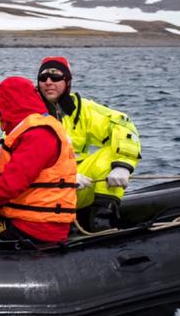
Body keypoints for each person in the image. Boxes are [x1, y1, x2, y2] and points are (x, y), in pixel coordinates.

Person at [0, 76, 77, 246]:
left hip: (36, 227)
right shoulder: (31, 130)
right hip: (28, 221)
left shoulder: (39, 135)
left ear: (12, 105)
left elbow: (12, 184)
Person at [35, 56, 142, 231]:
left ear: (67, 81)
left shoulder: (83, 109)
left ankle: (102, 219)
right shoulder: (27, 111)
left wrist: (123, 165)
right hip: (43, 187)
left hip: (79, 184)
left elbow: (123, 124)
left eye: (55, 77)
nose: (48, 82)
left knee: (111, 154)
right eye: (43, 77)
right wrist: (63, 175)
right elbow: (24, 160)